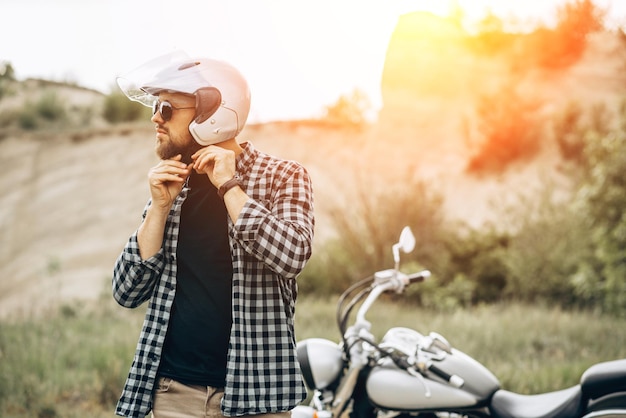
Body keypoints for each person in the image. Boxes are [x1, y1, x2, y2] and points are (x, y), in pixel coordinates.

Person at [111, 53, 315, 418]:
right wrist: (157, 209)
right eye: (157, 106)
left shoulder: (283, 176)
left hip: (258, 396)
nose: (155, 117)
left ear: (214, 113)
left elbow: (293, 254)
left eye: (168, 107)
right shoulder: (173, 185)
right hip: (173, 394)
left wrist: (229, 186)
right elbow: (127, 291)